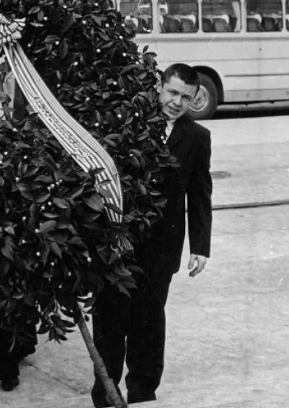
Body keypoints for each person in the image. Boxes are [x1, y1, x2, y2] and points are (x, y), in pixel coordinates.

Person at [91, 63, 212, 407]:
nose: (176, 102)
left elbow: (200, 194)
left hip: (162, 248)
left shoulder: (198, 138)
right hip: (120, 243)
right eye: (172, 92)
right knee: (111, 316)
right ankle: (106, 392)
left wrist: (200, 247)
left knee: (149, 318)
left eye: (186, 97)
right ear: (160, 88)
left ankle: (143, 390)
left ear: (194, 100)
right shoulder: (130, 122)